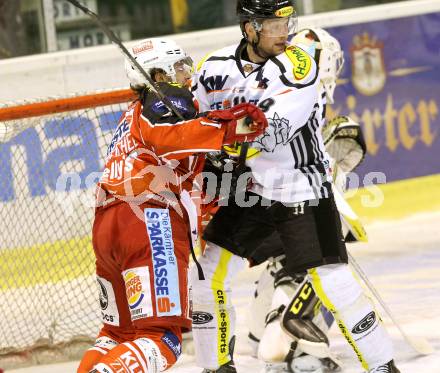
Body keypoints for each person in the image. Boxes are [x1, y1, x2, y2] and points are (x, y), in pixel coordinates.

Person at [190, 1, 400, 373]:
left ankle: (383, 365)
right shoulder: (215, 68)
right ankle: (216, 366)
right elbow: (196, 117)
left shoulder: (299, 65)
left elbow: (268, 129)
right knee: (207, 277)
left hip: (300, 186)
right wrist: (191, 127)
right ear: (249, 28)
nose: (284, 32)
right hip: (252, 189)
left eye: (286, 22)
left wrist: (219, 138)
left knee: (333, 283)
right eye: (273, 24)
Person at [76, 37, 267, 373]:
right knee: (162, 339)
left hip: (108, 226)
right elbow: (170, 136)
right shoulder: (166, 98)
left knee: (116, 336)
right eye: (178, 67)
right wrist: (231, 126)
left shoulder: (132, 115)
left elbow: (182, 165)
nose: (186, 75)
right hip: (149, 222)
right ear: (157, 74)